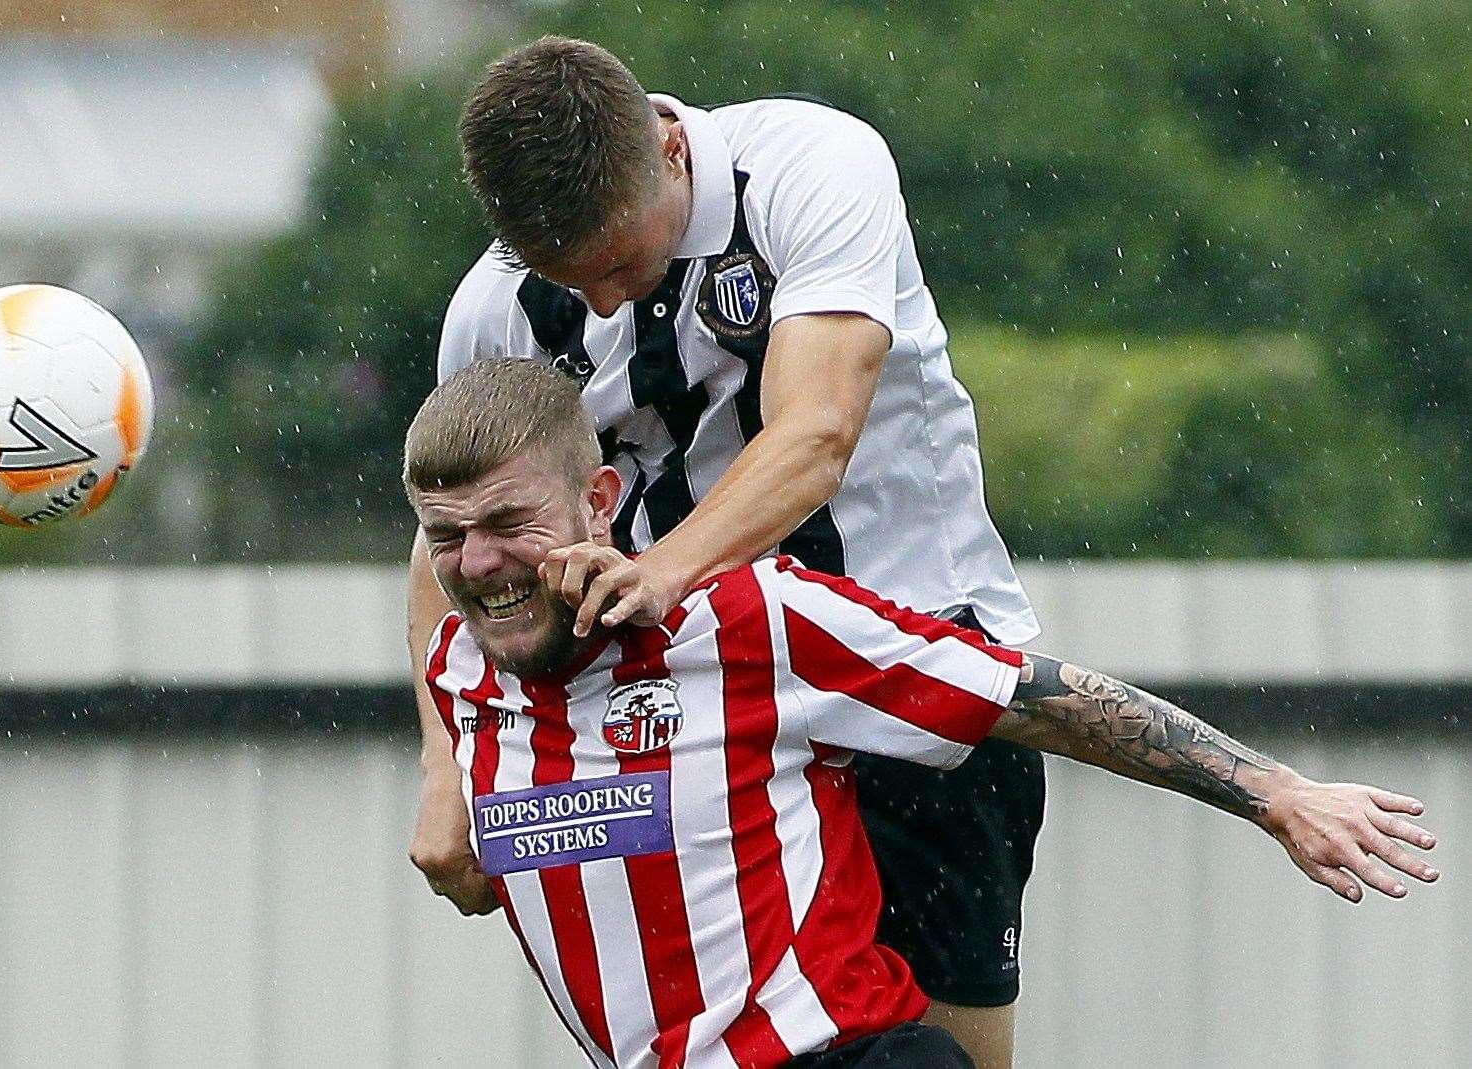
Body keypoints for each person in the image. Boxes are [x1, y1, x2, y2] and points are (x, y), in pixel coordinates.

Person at [404, 359, 1438, 1069]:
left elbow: (1029, 697)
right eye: (448, 536)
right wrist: (441, 784)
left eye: (509, 523)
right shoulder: (461, 675)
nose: (481, 561)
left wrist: (1274, 791)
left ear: (597, 500)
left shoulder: (751, 618)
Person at [409, 36, 1044, 1065]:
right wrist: (449, 766)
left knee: (949, 1055)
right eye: (575, 282)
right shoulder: (496, 308)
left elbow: (815, 432)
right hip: (700, 707)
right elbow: (452, 529)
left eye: (619, 263)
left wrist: (659, 572)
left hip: (914, 675)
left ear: (668, 148)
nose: (605, 305)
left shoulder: (810, 166)